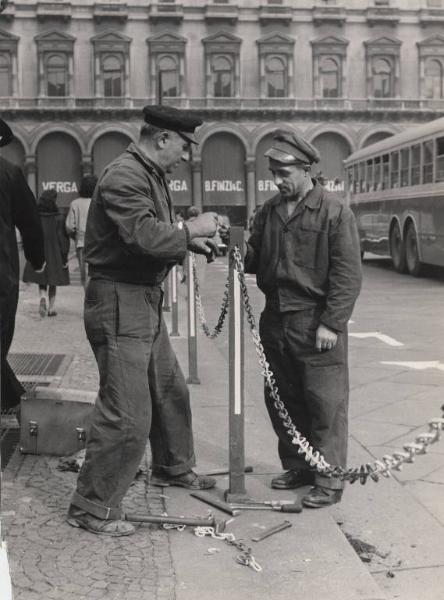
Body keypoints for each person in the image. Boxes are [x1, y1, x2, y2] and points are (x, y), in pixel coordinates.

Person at [67, 105, 219, 536]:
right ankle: (91, 506)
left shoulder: (148, 173)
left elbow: (151, 232)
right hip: (119, 300)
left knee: (168, 389)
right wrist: (191, 229)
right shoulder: (124, 176)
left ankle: (172, 467)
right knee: (127, 411)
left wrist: (189, 244)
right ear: (164, 139)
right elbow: (144, 236)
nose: (188, 156)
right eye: (185, 147)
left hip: (140, 299)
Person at [245, 130, 362, 508]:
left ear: (307, 169)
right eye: (273, 172)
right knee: (283, 398)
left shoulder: (334, 211)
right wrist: (227, 244)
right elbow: (252, 258)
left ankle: (329, 481)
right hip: (276, 318)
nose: (278, 180)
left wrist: (332, 322)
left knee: (324, 403)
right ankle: (298, 464)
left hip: (315, 323)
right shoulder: (269, 211)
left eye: (284, 172)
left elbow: (347, 274)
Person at [0, 117, 45, 413]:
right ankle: (11, 395)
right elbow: (30, 222)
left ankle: (9, 394)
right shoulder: (9, 172)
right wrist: (37, 258)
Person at [22, 189, 70, 317]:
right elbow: (62, 239)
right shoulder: (59, 218)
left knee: (42, 277)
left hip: (40, 251)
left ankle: (42, 297)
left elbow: (30, 234)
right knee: (53, 281)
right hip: (55, 253)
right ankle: (51, 309)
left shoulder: (36, 216)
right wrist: (64, 257)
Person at [65, 175, 98, 288]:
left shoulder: (75, 203)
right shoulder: (98, 202)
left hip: (81, 242)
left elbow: (69, 226)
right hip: (98, 242)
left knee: (84, 274)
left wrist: (75, 236)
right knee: (96, 274)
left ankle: (87, 300)